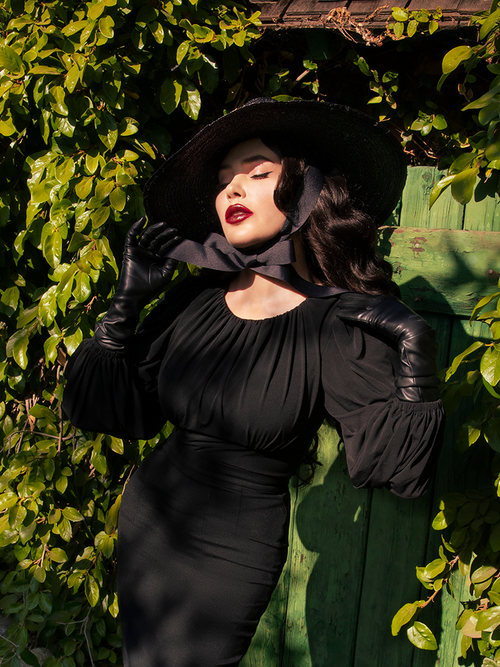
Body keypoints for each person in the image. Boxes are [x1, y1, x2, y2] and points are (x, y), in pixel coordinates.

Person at [62, 98, 444, 667]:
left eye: (258, 173)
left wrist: (417, 357)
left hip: (232, 547)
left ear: (306, 189)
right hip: (152, 516)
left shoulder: (336, 322)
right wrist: (125, 305)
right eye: (224, 182)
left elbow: (394, 466)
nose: (232, 191)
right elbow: (106, 409)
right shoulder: (197, 298)